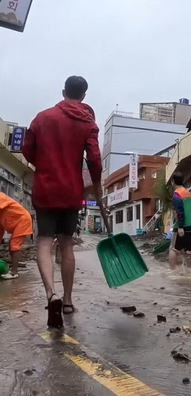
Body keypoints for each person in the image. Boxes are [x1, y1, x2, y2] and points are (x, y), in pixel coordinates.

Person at [22, 76, 102, 328]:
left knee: (44, 241)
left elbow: (27, 149)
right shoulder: (87, 122)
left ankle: (51, 295)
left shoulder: (42, 117)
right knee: (66, 244)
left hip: (45, 188)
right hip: (71, 191)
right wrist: (97, 183)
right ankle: (67, 300)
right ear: (84, 95)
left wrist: (44, 165)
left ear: (63, 91)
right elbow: (95, 159)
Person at [168, 172, 191, 274]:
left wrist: (180, 227)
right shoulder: (188, 193)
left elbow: (180, 212)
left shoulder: (176, 195)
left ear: (173, 182)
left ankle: (173, 271)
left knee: (173, 248)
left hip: (181, 226)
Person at [0, 193, 34, 280]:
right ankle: (12, 270)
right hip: (18, 222)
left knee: (14, 246)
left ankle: (14, 273)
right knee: (12, 247)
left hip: (23, 220)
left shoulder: (0, 197)